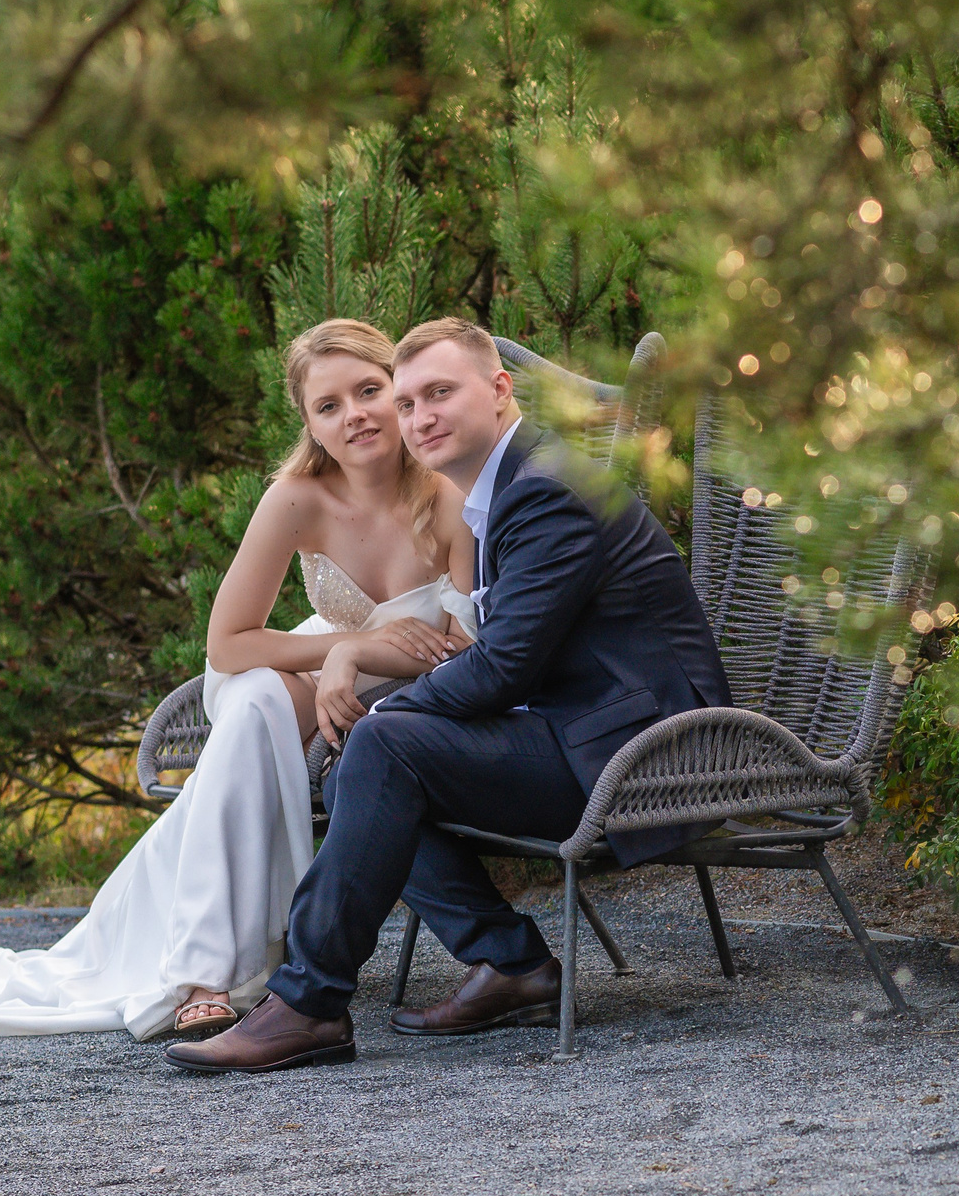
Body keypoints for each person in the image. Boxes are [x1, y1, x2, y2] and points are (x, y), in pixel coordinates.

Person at [0, 320, 477, 1041]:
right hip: (302, 666)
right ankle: (203, 974)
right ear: (310, 424)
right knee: (251, 698)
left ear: (399, 391)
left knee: (257, 714)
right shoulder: (296, 498)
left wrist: (367, 655)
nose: (354, 414)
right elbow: (227, 644)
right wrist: (349, 645)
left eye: (370, 390)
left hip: (409, 692)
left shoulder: (447, 494)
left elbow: (470, 645)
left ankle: (227, 960)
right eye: (328, 405)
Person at [167, 316, 733, 1074]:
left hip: (642, 749)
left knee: (380, 745)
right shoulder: (499, 489)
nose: (419, 417)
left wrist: (383, 706)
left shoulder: (546, 490)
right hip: (575, 726)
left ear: (499, 391)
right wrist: (364, 680)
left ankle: (307, 1003)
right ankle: (511, 965)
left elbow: (499, 670)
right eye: (407, 403)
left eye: (439, 393)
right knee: (362, 758)